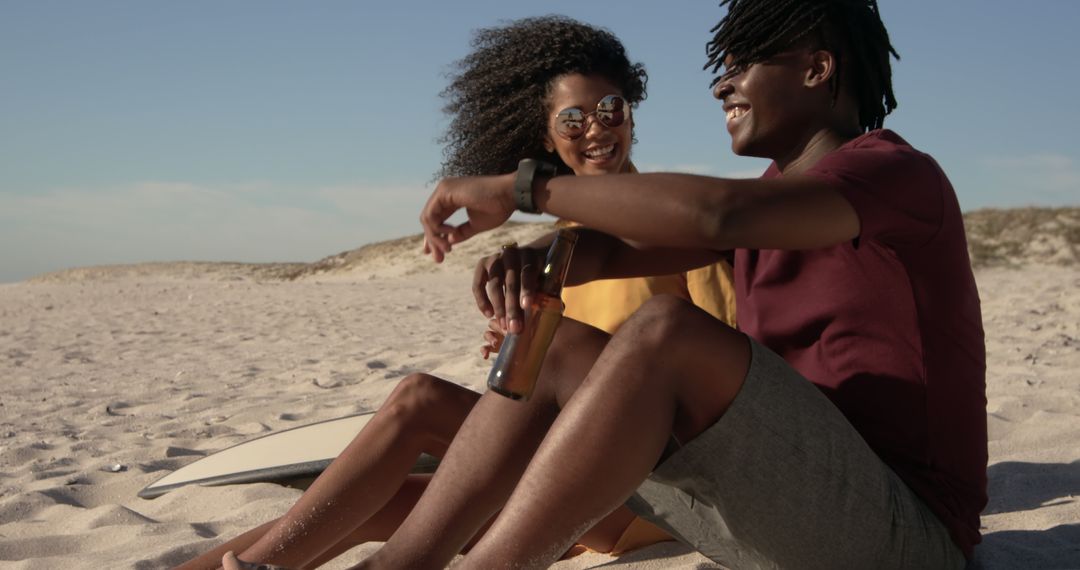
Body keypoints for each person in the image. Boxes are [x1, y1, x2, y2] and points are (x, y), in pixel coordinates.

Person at [379, 1, 988, 569]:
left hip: (906, 536)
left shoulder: (895, 174)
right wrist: (534, 254)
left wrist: (526, 190)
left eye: (743, 64)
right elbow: (616, 246)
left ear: (817, 69)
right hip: (770, 512)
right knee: (559, 345)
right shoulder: (773, 199)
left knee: (664, 328)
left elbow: (716, 213)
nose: (722, 85)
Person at [178, 16, 735, 570]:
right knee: (392, 485)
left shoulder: (678, 230)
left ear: (632, 115)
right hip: (560, 471)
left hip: (641, 495)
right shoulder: (559, 247)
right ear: (544, 136)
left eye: (612, 109)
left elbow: (724, 381)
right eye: (573, 119)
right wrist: (518, 346)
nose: (597, 129)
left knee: (419, 405)